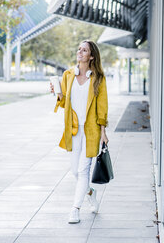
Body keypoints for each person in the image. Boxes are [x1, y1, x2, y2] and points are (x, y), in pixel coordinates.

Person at [50, 40, 108, 224]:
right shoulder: (68, 75)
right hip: (74, 130)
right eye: (79, 49)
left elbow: (102, 107)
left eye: (84, 50)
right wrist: (57, 93)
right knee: (75, 171)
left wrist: (103, 131)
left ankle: (75, 209)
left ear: (91, 56)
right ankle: (90, 192)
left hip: (91, 131)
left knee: (83, 170)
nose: (80, 52)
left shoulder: (98, 78)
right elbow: (65, 102)